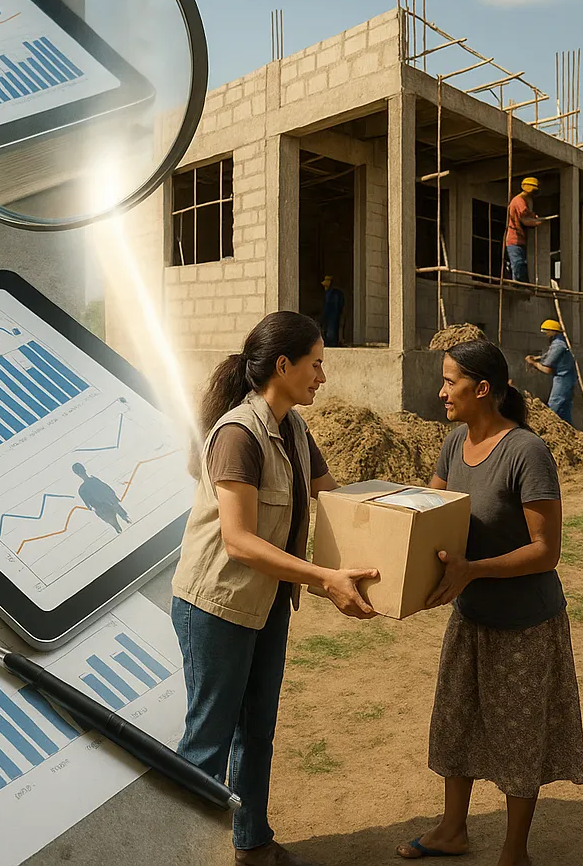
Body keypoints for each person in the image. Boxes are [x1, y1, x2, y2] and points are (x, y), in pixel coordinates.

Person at [172, 311, 379, 866]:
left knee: (257, 727)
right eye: (316, 365)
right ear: (283, 366)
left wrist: (409, 515)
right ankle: (183, 852)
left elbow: (336, 498)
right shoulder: (238, 434)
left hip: (266, 602)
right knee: (209, 739)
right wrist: (324, 579)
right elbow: (239, 542)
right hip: (216, 603)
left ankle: (252, 840)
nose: (323, 377)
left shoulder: (294, 428)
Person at [397, 339, 583, 864]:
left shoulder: (526, 452)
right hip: (471, 615)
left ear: (483, 389)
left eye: (449, 382)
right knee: (455, 724)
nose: (441, 392)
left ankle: (514, 851)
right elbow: (430, 511)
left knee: (518, 737)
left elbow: (546, 552)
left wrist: (470, 571)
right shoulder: (453, 444)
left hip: (525, 623)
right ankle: (452, 831)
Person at [525, 319, 577, 425]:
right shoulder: (559, 342)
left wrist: (533, 363)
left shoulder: (558, 346)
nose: (546, 334)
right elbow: (549, 355)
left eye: (547, 331)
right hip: (567, 377)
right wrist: (537, 358)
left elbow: (547, 368)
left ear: (553, 331)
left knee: (555, 405)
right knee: (564, 410)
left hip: (563, 378)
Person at [71, 461, 130, 534]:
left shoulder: (84, 488)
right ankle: (120, 524)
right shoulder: (87, 486)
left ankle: (120, 524)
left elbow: (107, 490)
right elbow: (107, 490)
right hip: (105, 508)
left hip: (107, 507)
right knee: (118, 523)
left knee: (119, 523)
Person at [504, 177, 544, 283]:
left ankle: (521, 285)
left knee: (521, 264)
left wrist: (534, 217)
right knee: (518, 265)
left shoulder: (522, 202)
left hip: (520, 239)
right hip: (514, 240)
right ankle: (518, 286)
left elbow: (528, 215)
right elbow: (525, 220)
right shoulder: (519, 201)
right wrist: (537, 222)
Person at [319, 275, 344, 347]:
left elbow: (336, 307)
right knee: (327, 329)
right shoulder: (326, 292)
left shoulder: (335, 294)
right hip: (327, 314)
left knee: (331, 330)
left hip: (332, 315)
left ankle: (332, 343)